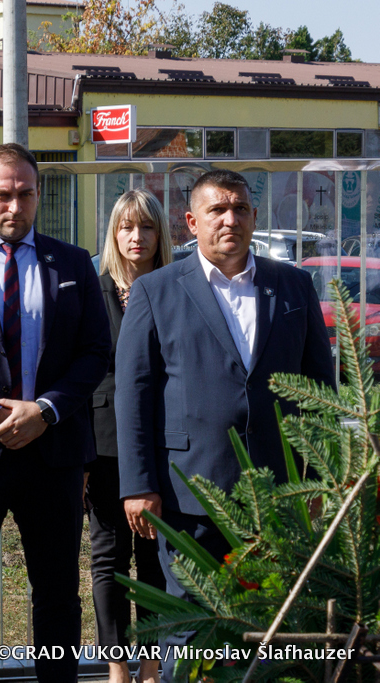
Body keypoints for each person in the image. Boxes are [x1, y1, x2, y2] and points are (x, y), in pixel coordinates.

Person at [115, 170, 336, 683]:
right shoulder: (155, 290)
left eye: (239, 208)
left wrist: (319, 479)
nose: (229, 219)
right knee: (192, 627)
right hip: (190, 493)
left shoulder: (293, 285)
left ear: (254, 217)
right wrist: (138, 485)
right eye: (216, 210)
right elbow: (134, 395)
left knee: (277, 628)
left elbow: (319, 389)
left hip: (281, 493)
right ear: (192, 222)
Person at [0, 143, 110, 683]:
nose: (14, 206)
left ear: (38, 195)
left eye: (25, 194)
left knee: (58, 593)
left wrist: (45, 410)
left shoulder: (74, 262)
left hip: (53, 454)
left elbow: (95, 352)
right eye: (2, 195)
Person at [89, 189, 171, 683]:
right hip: (103, 444)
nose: (136, 236)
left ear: (161, 234)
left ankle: (152, 667)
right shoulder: (91, 289)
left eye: (146, 226)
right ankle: (117, 667)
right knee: (109, 557)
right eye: (126, 226)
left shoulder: (175, 287)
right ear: (114, 234)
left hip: (163, 440)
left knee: (157, 557)